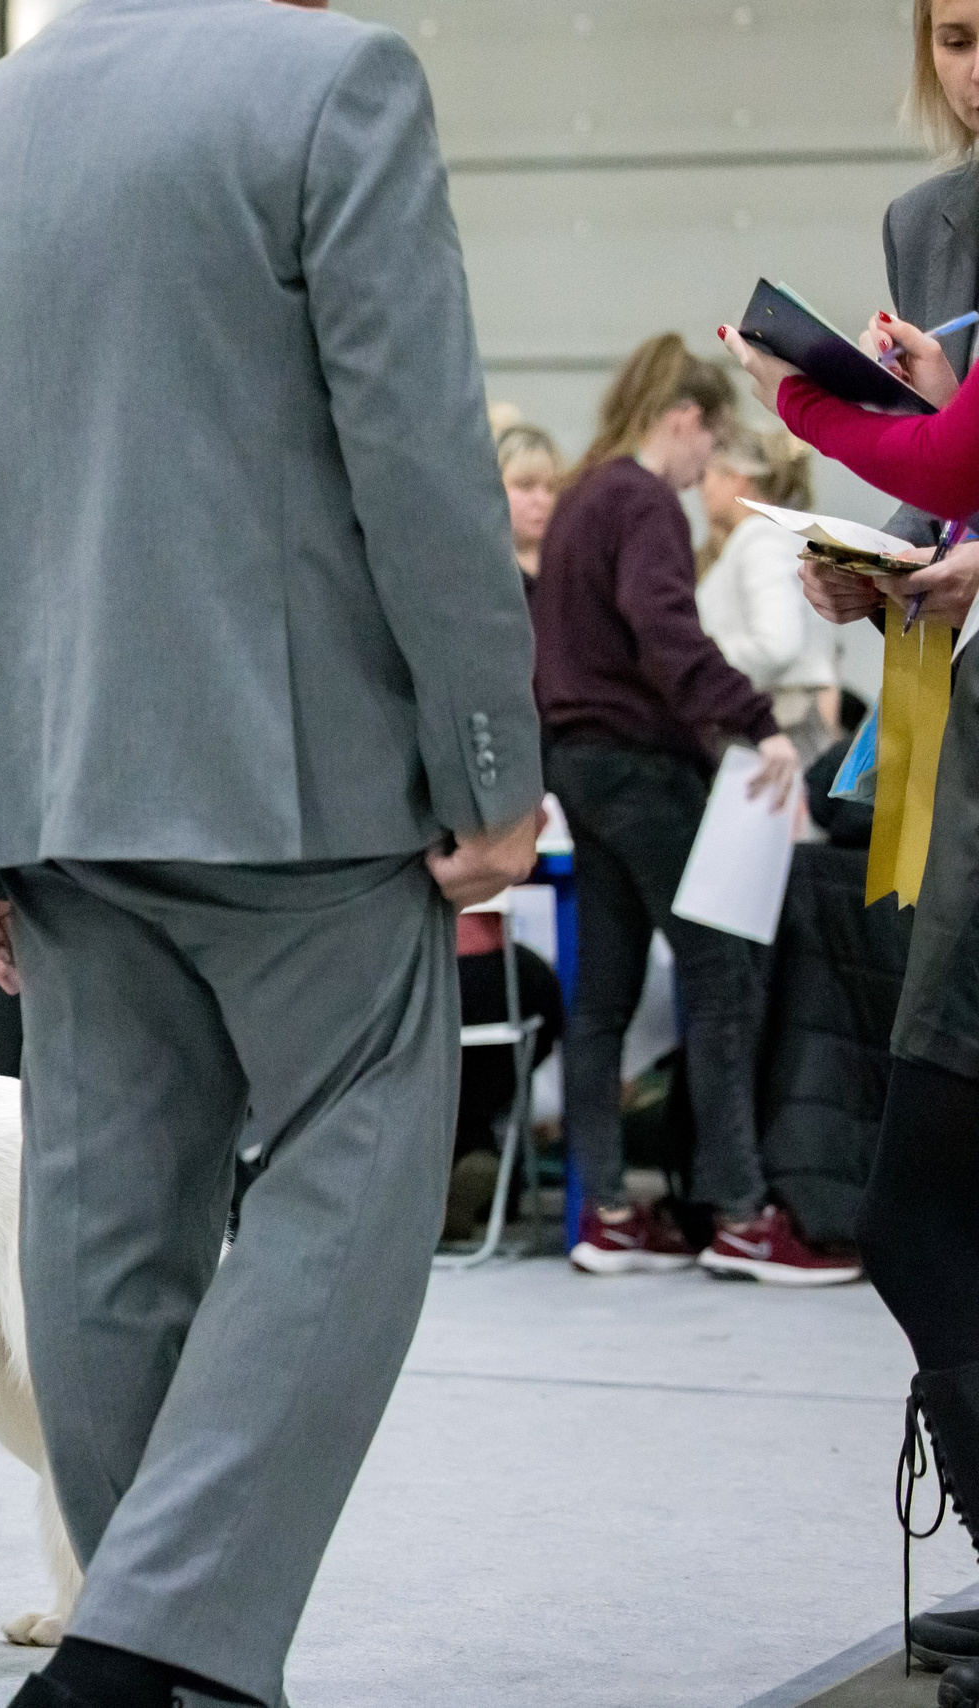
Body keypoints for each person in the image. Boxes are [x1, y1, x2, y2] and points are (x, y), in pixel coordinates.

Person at [0, 5, 541, 1704]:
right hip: (291, 775)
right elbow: (421, 453)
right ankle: (146, 1652)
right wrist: (490, 758)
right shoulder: (339, 86)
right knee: (358, 1153)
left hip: (41, 784)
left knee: (99, 1224)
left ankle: (160, 1652)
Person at [723, 11, 979, 1676]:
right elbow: (944, 485)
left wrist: (809, 397)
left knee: (918, 1197)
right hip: (960, 746)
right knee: (924, 1198)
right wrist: (872, 558)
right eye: (956, 33)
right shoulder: (930, 222)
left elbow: (954, 453)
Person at [532, 335, 848, 1285]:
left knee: (606, 990)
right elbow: (667, 633)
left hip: (578, 766)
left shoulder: (582, 498)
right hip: (641, 768)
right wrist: (758, 723)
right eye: (707, 449)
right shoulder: (639, 501)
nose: (704, 472)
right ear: (684, 420)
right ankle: (745, 1217)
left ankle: (611, 1214)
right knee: (723, 975)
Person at [695, 427, 837, 756]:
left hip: (773, 728)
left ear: (737, 478)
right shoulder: (782, 538)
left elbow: (777, 644)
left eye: (709, 475)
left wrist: (704, 664)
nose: (702, 488)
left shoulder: (759, 539)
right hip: (781, 722)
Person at [498, 422, 561, 582]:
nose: (543, 500)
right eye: (525, 485)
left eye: (551, 487)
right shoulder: (479, 566)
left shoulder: (571, 564)